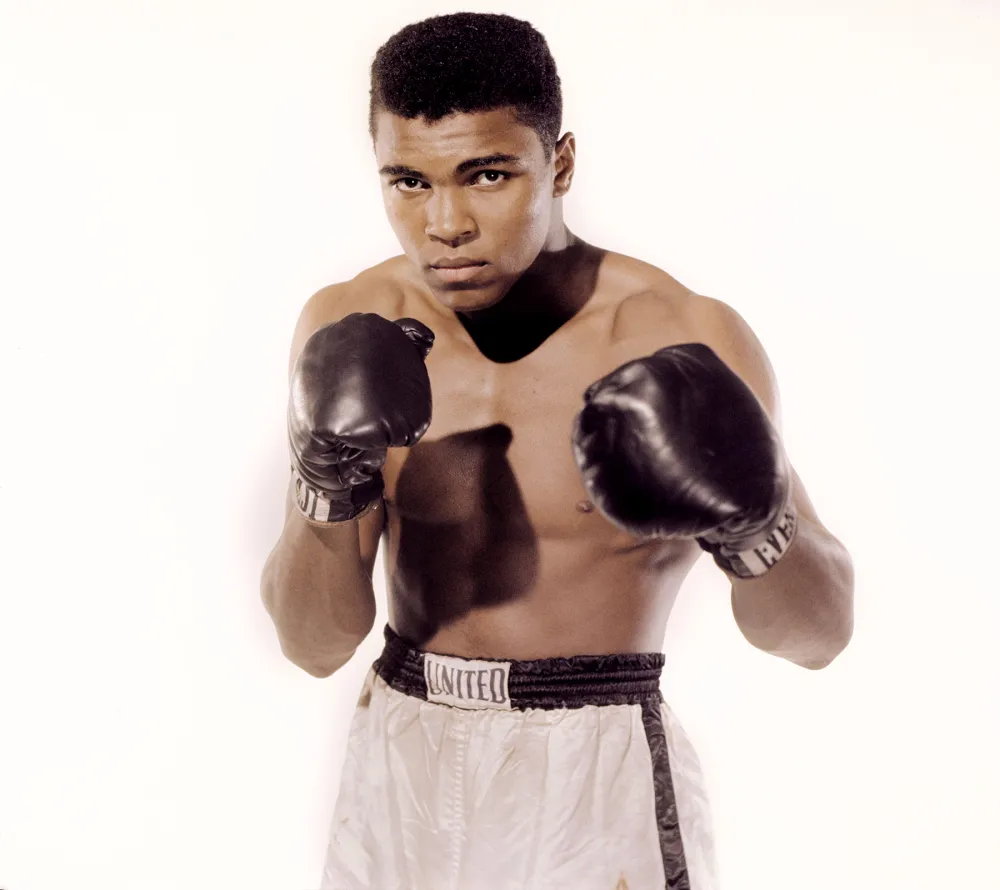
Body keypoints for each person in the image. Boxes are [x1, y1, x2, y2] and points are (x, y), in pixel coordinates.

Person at [260, 12, 855, 889]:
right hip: (399, 750)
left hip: (593, 773)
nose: (446, 223)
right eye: (408, 183)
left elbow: (819, 636)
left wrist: (754, 526)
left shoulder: (679, 334)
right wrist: (323, 486)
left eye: (487, 174)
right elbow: (312, 643)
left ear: (561, 164)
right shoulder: (354, 326)